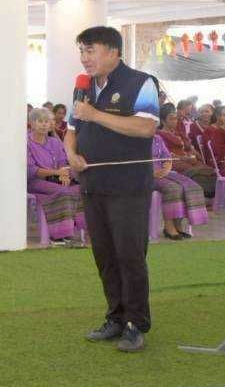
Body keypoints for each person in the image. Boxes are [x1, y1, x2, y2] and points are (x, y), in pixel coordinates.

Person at [65, 25, 159, 353]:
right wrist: (71, 155)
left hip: (128, 186)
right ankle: (115, 317)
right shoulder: (83, 87)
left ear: (114, 52)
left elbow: (145, 127)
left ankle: (136, 323)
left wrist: (95, 114)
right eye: (82, 51)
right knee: (104, 256)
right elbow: (71, 130)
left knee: (129, 255)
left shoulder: (141, 83)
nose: (84, 58)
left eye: (90, 50)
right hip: (93, 184)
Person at [27, 108, 85, 245]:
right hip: (35, 181)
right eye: (40, 121)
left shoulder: (55, 142)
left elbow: (63, 162)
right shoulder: (26, 143)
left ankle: (79, 228)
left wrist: (64, 174)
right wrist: (57, 173)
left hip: (57, 179)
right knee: (63, 191)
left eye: (47, 121)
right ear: (32, 123)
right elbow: (32, 170)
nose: (44, 124)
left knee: (80, 189)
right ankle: (59, 234)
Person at [155, 104, 216, 198]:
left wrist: (194, 156)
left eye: (176, 118)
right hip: (173, 161)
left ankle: (211, 193)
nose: (175, 121)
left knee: (208, 170)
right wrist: (185, 158)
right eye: (171, 119)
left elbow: (188, 148)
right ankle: (203, 194)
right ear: (163, 121)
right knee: (195, 172)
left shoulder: (177, 133)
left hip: (187, 158)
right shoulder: (159, 135)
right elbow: (166, 154)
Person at [151, 137, 208, 239]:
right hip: (145, 175)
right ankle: (169, 226)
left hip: (163, 172)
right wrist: (151, 172)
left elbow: (167, 157)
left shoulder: (157, 139)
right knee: (173, 188)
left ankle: (177, 224)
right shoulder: (133, 137)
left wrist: (166, 168)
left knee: (192, 187)